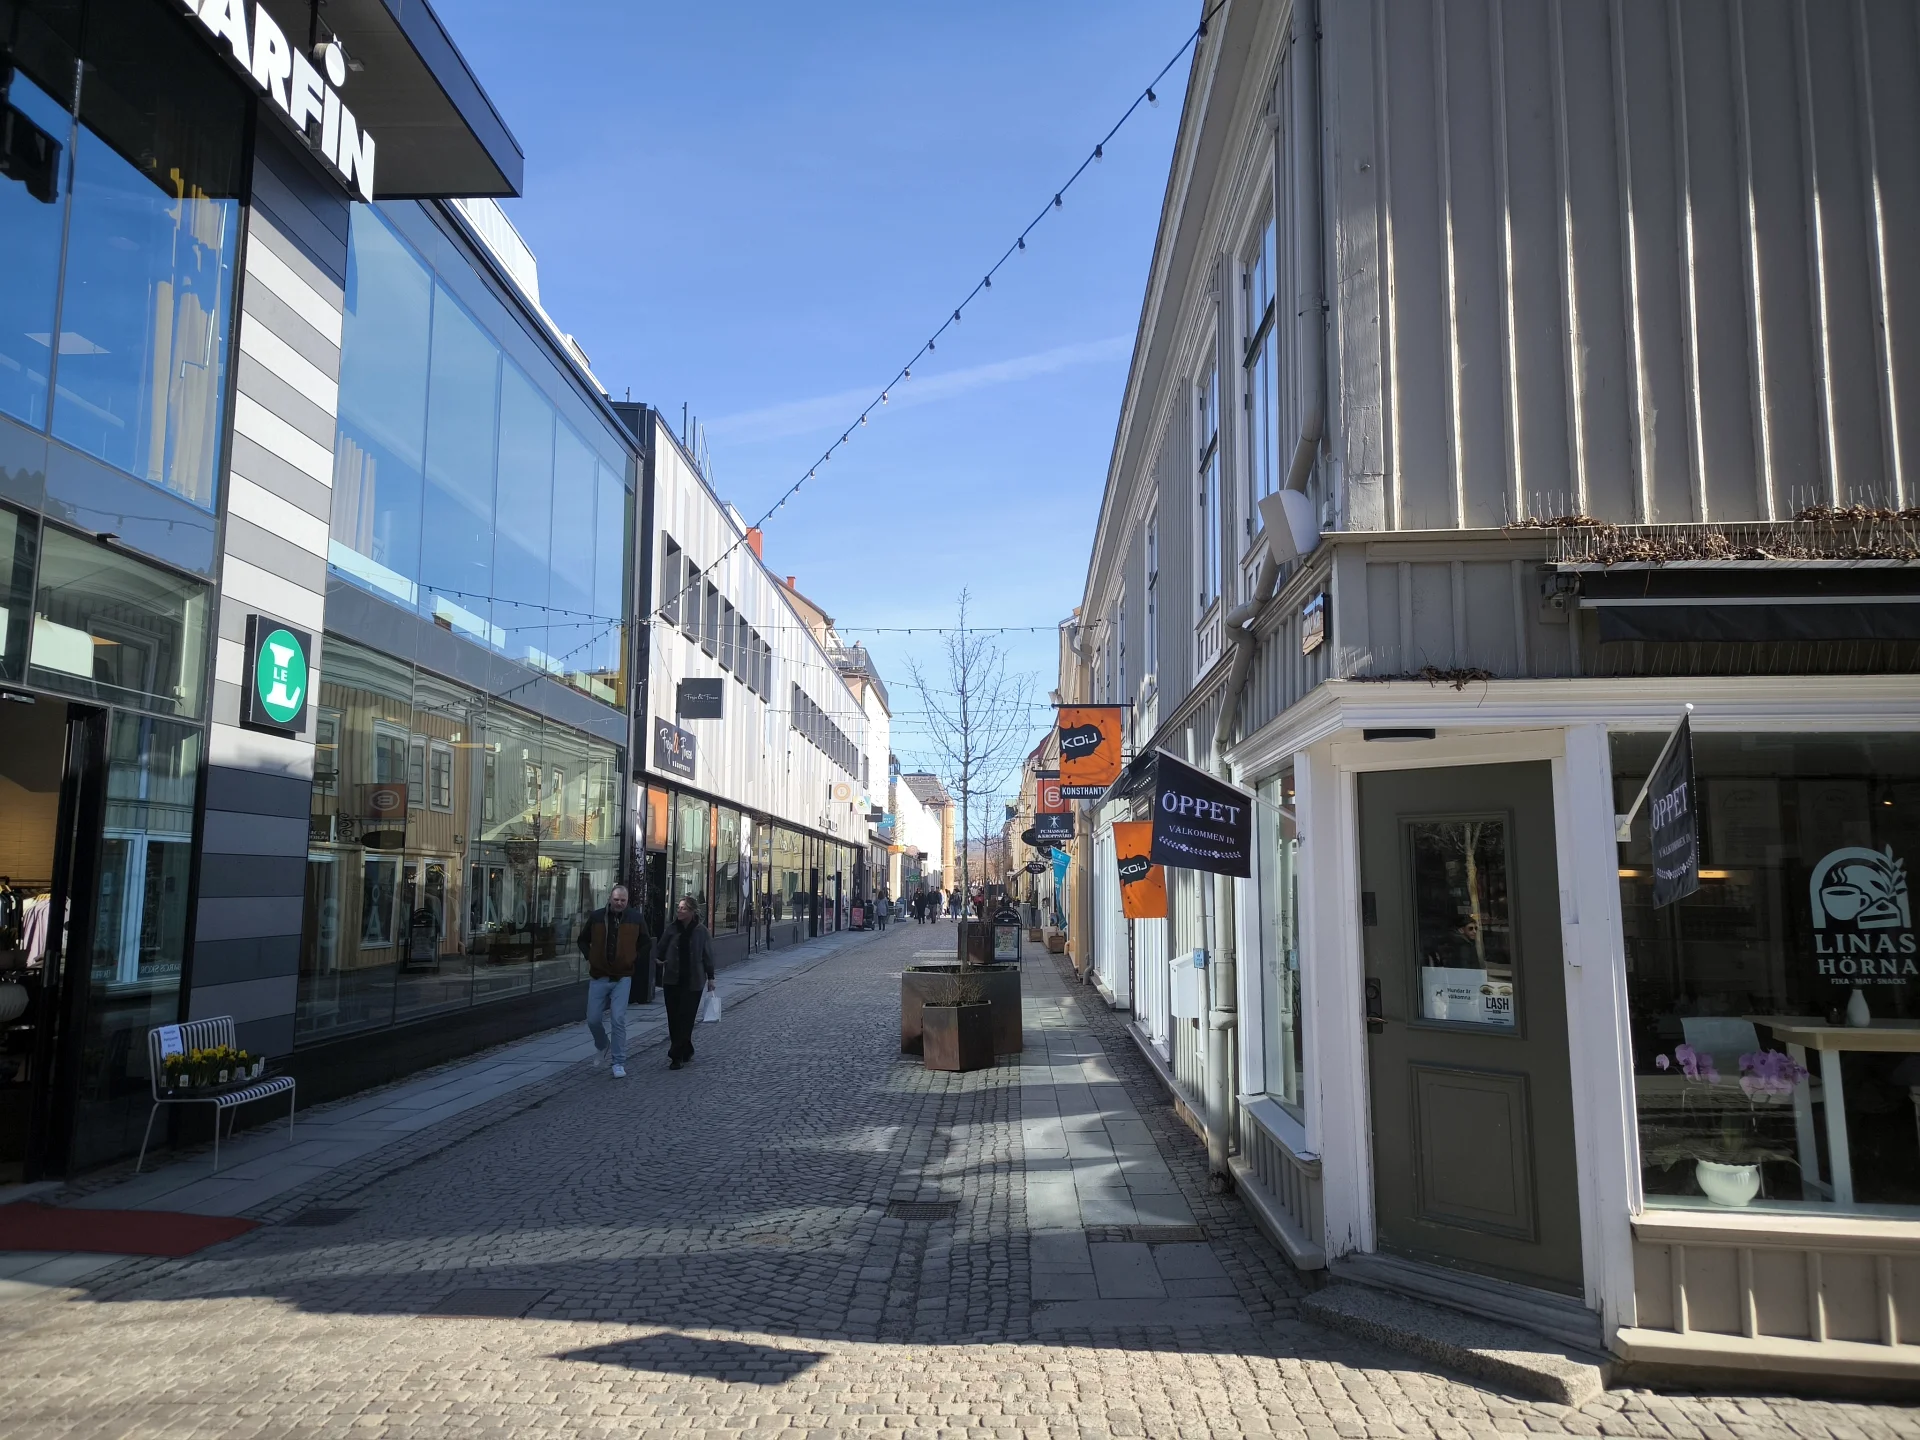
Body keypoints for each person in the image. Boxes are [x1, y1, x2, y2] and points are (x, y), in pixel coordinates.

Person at [578, 884, 646, 1078]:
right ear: (610, 898)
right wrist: (591, 957)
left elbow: (645, 942)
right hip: (599, 975)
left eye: (623, 900)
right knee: (593, 1019)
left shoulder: (635, 918)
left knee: (618, 1019)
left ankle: (618, 1062)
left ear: (627, 901)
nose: (619, 903)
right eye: (616, 899)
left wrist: (633, 958)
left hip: (622, 976)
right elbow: (582, 940)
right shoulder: (597, 917)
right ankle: (602, 1044)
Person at [656, 896, 716, 1069]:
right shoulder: (672, 929)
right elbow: (660, 948)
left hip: (693, 981)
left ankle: (676, 1055)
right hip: (672, 980)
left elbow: (708, 955)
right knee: (674, 1018)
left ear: (692, 911)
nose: (679, 911)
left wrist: (711, 977)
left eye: (683, 908)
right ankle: (686, 1048)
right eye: (678, 908)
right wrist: (659, 960)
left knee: (686, 1018)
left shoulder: (701, 931)